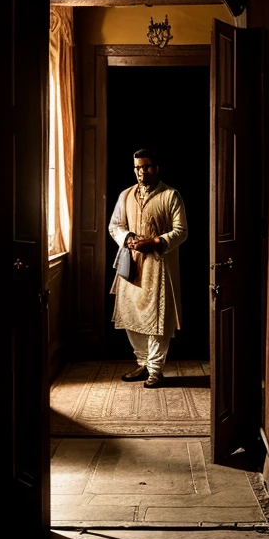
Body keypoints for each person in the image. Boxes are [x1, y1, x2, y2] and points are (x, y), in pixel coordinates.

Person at [108, 148, 188, 388]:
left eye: (145, 167)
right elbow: (115, 225)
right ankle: (143, 362)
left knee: (157, 319)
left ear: (156, 168)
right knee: (131, 314)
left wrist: (154, 242)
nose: (141, 172)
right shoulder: (126, 195)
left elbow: (181, 231)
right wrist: (129, 238)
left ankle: (155, 369)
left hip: (159, 265)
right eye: (137, 168)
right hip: (132, 264)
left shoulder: (171, 196)